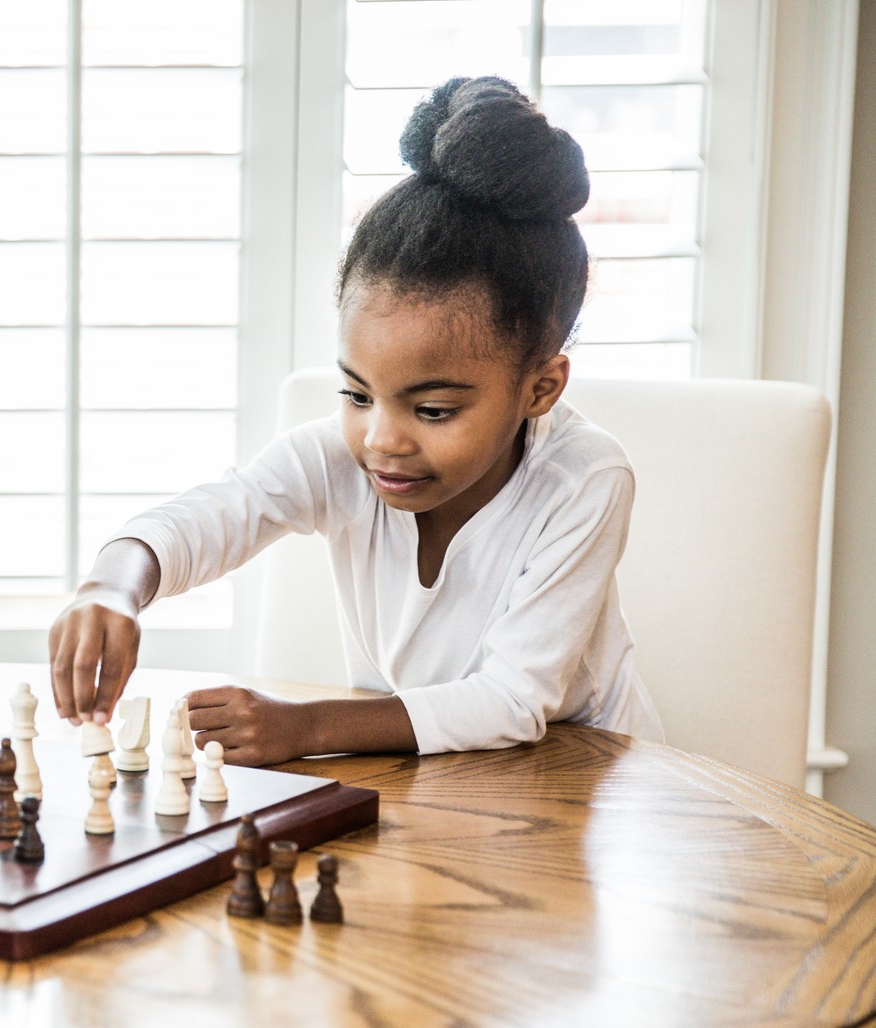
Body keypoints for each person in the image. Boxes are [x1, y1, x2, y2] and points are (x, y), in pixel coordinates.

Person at [47, 75, 662, 761]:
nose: (382, 440)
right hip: (425, 768)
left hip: (583, 775)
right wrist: (111, 585)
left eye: (432, 409)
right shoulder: (344, 459)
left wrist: (304, 728)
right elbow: (216, 513)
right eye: (357, 394)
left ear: (539, 387)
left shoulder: (582, 480)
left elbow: (513, 701)